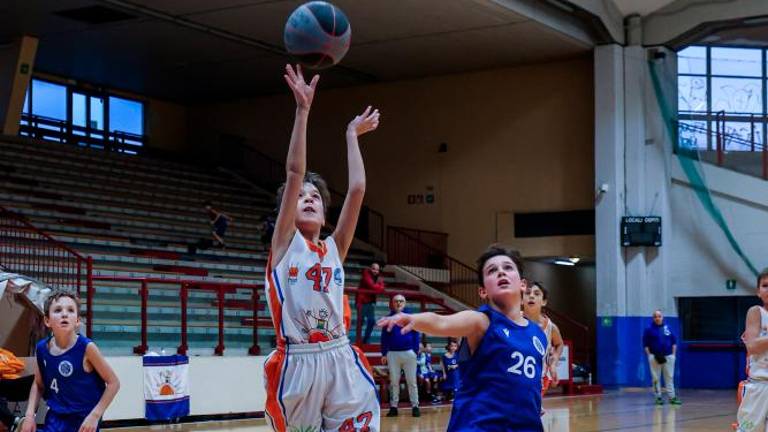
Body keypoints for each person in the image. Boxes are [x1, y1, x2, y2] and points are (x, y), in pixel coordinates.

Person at [262, 64, 381, 432]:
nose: (309, 198)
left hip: (339, 355)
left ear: (325, 212)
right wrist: (302, 111)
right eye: (301, 197)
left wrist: (351, 136)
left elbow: (358, 189)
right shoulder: (284, 244)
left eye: (316, 197)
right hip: (298, 363)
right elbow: (295, 172)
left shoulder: (335, 248)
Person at [378, 245, 546, 431]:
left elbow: (532, 379)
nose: (500, 272)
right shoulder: (481, 321)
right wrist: (412, 319)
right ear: (483, 291)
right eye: (492, 270)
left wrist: (534, 403)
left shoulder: (538, 334)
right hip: (479, 425)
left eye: (507, 267)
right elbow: (441, 322)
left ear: (522, 284)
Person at [21, 291, 120, 432]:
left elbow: (113, 383)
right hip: (56, 418)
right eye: (58, 310)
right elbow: (38, 384)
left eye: (70, 310)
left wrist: (95, 416)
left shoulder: (87, 348)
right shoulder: (42, 349)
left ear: (78, 320)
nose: (64, 314)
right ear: (47, 321)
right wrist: (30, 416)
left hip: (84, 420)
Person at [737, 268, 768, 432]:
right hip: (759, 385)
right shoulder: (756, 312)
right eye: (765, 285)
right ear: (758, 291)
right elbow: (753, 346)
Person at [380, 295, 420, 417]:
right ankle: (393, 407)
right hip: (392, 354)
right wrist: (384, 353)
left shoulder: (411, 317)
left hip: (409, 353)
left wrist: (415, 350)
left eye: (401, 301)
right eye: (396, 301)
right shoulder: (388, 318)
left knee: (412, 381)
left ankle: (415, 406)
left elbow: (416, 335)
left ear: (405, 303)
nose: (398, 303)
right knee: (394, 382)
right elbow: (384, 337)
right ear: (392, 303)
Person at [523, 280, 564, 395]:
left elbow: (559, 344)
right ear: (521, 300)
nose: (531, 296)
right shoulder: (513, 320)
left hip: (539, 380)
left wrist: (553, 363)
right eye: (527, 293)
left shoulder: (551, 327)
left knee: (530, 411)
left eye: (536, 294)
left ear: (544, 301)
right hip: (516, 378)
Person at [643, 309, 681, 405]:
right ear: (653, 318)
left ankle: (672, 397)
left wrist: (673, 355)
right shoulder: (649, 329)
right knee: (656, 378)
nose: (657, 318)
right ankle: (658, 397)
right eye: (655, 316)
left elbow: (674, 342)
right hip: (655, 356)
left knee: (669, 377)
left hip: (668, 356)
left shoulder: (668, 328)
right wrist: (650, 355)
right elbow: (645, 344)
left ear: (662, 317)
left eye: (659, 316)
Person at [357, 262, 385, 344]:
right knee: (360, 322)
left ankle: (366, 340)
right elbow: (371, 286)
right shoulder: (366, 273)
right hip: (361, 302)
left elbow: (382, 288)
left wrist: (378, 287)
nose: (375, 271)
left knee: (371, 321)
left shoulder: (378, 277)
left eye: (377, 270)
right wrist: (379, 287)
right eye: (373, 269)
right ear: (370, 268)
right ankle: (358, 341)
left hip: (370, 303)